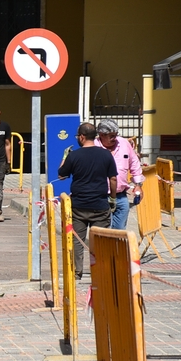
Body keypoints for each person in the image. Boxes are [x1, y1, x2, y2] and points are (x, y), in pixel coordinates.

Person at [58, 122, 118, 279]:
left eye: (78, 136)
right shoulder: (106, 154)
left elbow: (61, 175)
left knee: (77, 240)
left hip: (79, 206)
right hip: (100, 205)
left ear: (82, 137)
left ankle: (77, 272)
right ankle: (100, 272)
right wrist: (112, 198)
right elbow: (112, 179)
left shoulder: (74, 156)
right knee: (100, 240)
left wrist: (65, 156)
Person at [93, 119, 144, 230]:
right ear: (101, 135)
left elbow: (134, 163)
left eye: (116, 135)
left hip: (121, 196)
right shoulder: (93, 146)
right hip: (101, 197)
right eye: (111, 136)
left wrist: (138, 185)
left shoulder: (124, 143)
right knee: (105, 231)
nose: (114, 138)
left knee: (120, 231)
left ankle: (117, 248)